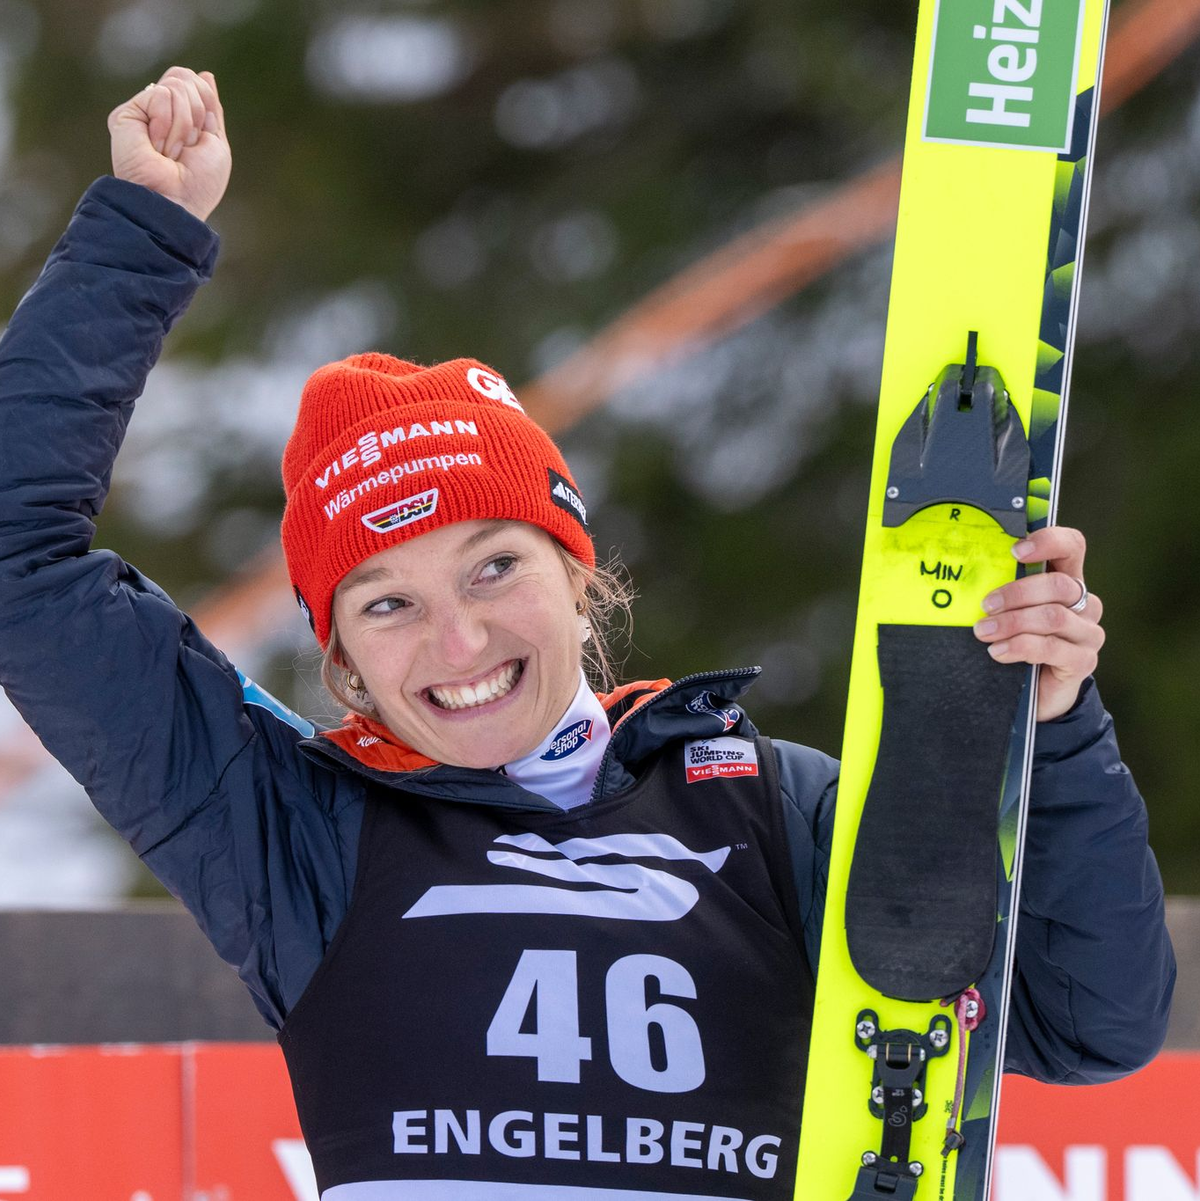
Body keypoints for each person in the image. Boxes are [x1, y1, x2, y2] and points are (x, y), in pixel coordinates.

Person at [0, 67, 1173, 1200]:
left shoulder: (775, 810)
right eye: (388, 604)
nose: (458, 640)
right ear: (345, 663)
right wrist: (141, 231)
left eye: (494, 566)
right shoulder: (293, 835)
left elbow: (1087, 1023)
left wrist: (1054, 719)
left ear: (578, 572)